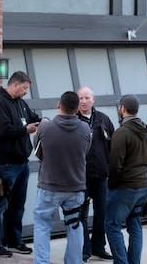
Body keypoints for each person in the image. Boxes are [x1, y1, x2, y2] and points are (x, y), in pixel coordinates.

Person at [32, 91, 92, 264]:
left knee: (42, 225)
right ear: (77, 108)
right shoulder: (85, 128)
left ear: (59, 104)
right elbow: (85, 152)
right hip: (75, 187)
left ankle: (41, 262)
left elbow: (38, 152)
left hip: (49, 186)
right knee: (74, 225)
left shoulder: (45, 127)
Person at [0, 71, 41, 256]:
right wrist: (25, 130)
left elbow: (33, 116)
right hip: (4, 167)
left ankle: (14, 240)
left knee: (18, 204)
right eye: (25, 88)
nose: (26, 91)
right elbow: (2, 130)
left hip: (22, 165)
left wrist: (43, 122)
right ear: (16, 84)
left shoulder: (21, 102)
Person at [106, 95, 147, 264]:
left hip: (125, 188)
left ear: (123, 108)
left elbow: (115, 164)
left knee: (112, 225)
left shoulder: (121, 132)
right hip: (143, 186)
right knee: (135, 226)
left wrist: (111, 185)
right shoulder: (146, 131)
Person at [76, 86, 114, 262]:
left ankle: (99, 246)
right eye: (80, 98)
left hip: (101, 175)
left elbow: (112, 146)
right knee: (81, 214)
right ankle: (84, 249)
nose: (83, 101)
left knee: (102, 212)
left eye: (86, 98)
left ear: (93, 99)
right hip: (79, 177)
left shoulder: (103, 120)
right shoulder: (72, 120)